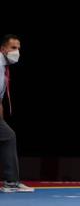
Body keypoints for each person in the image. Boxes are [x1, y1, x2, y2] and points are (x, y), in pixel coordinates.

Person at [0, 34, 34, 193]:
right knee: (9, 136)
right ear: (3, 49)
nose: (17, 52)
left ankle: (11, 181)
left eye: (19, 48)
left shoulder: (3, 66)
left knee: (7, 136)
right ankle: (11, 182)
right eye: (13, 48)